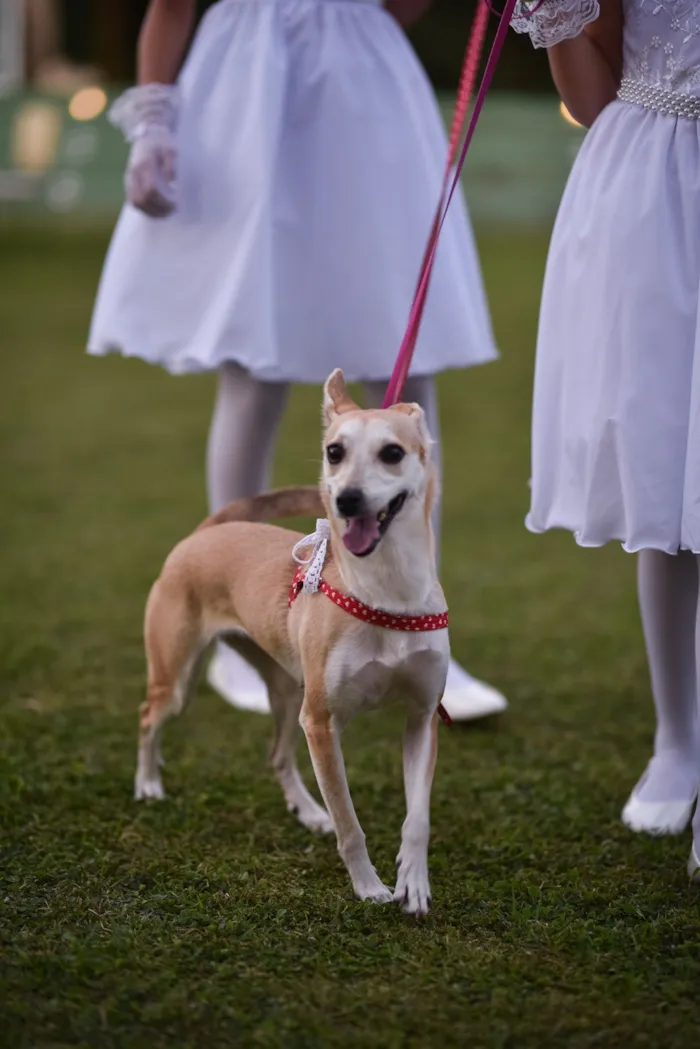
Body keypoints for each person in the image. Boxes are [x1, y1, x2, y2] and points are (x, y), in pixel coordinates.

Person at [88, 0, 508, 721]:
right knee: (256, 365)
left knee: (405, 367)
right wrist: (153, 121)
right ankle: (236, 631)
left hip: (364, 85)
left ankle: (415, 618)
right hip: (248, 88)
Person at [511, 0, 700, 869]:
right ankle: (678, 739)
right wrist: (555, 18)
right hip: (656, 195)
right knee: (667, 463)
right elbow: (593, 97)